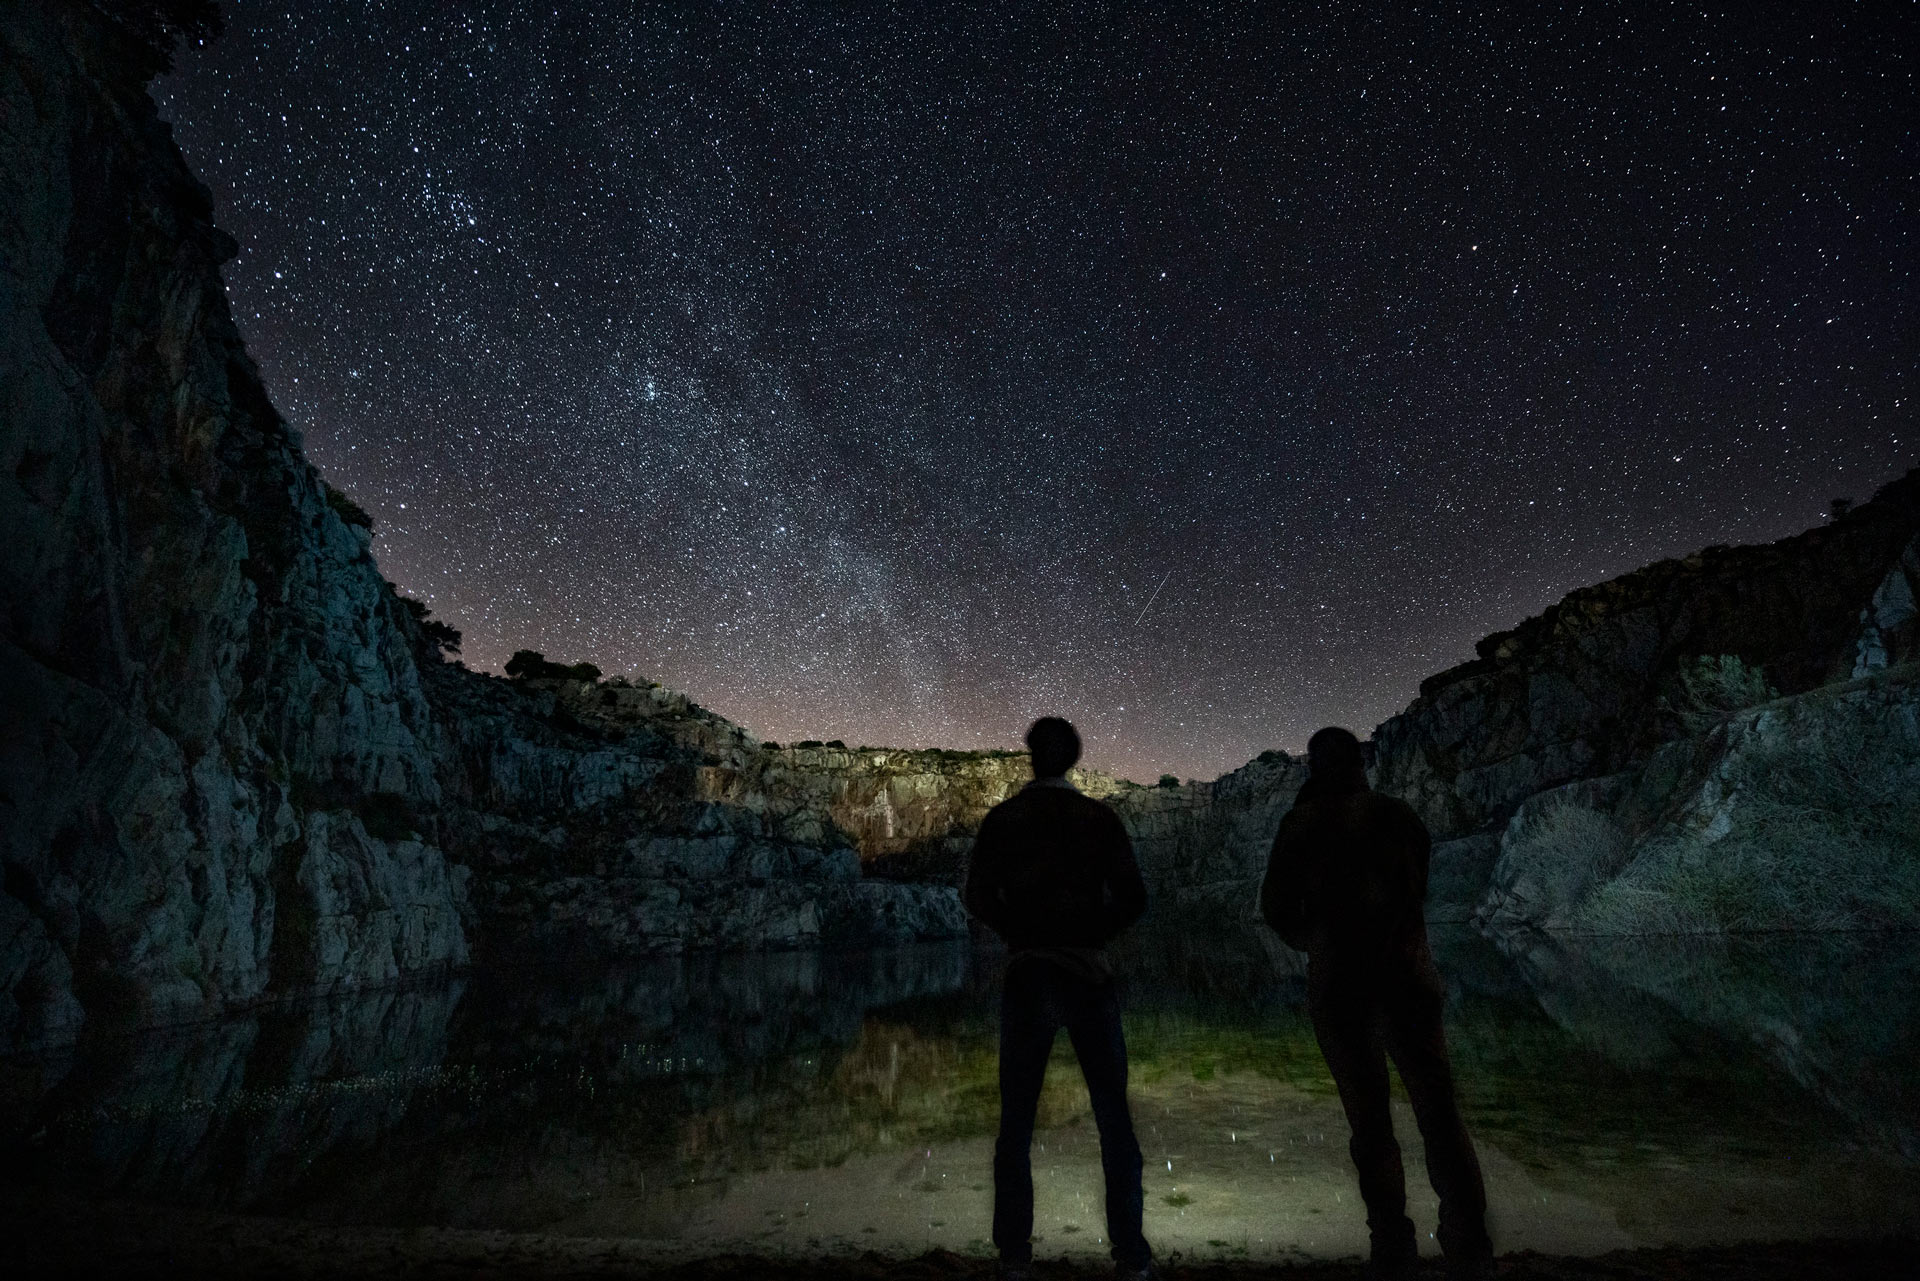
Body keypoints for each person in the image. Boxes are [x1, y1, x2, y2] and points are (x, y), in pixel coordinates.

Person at [1260, 727, 1493, 1281]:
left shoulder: (1302, 823)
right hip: (1409, 981)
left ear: (1316, 766)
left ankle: (1392, 1244)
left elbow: (1276, 907)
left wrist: (1313, 941)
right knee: (1439, 1112)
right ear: (1361, 762)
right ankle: (1469, 1241)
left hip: (1341, 990)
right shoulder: (1399, 815)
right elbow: (1418, 889)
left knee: (1369, 1121)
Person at [963, 716, 1155, 1281]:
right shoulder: (1097, 818)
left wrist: (1019, 934)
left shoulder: (1006, 819)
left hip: (1028, 976)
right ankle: (1132, 1256)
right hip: (1088, 976)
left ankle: (1015, 1256)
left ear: (1031, 756)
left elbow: (977, 895)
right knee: (1113, 1116)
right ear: (1074, 757)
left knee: (1016, 1120)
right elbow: (1134, 899)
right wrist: (1091, 935)